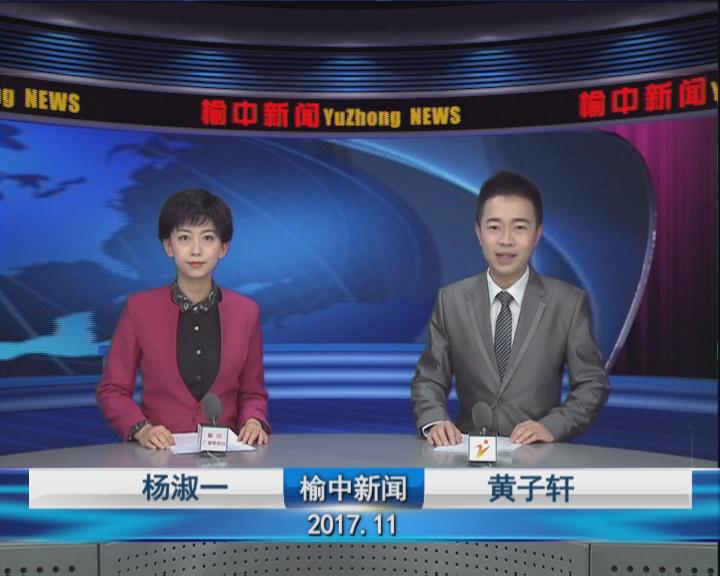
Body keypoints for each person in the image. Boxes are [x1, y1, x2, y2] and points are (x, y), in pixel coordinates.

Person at [411, 171, 609, 446]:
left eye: (519, 227)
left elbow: (592, 383)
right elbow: (429, 379)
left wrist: (553, 426)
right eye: (494, 227)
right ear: (478, 232)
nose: (506, 240)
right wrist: (435, 420)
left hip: (538, 456)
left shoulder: (568, 303)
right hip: (469, 454)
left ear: (537, 234)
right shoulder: (451, 300)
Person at [97, 188, 270, 449]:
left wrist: (253, 420)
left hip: (227, 456)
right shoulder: (139, 309)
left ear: (223, 248)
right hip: (160, 455)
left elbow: (252, 392)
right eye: (185, 238)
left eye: (208, 238)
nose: (196, 250)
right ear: (169, 246)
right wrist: (142, 429)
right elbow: (112, 390)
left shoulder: (246, 312)